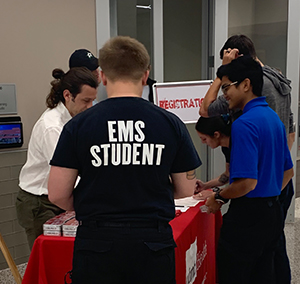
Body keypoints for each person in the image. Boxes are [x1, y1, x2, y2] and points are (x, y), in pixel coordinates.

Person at [48, 36, 201, 284]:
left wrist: (93, 202)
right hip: (153, 241)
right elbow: (185, 189)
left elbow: (56, 194)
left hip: (97, 241)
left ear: (102, 77)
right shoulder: (170, 123)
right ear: (145, 75)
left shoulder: (78, 126)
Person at [199, 34, 295, 284]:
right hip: (272, 212)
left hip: (248, 218)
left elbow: (245, 183)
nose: (225, 94)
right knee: (265, 274)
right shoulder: (273, 118)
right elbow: (288, 172)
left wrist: (218, 197)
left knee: (234, 273)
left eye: (227, 87)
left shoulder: (244, 124)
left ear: (246, 85)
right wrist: (269, 194)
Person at [16, 67, 98, 250]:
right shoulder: (52, 127)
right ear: (68, 95)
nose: (90, 107)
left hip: (58, 197)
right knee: (48, 255)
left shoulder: (73, 119)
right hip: (38, 202)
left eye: (93, 100)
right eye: (86, 100)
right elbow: (67, 173)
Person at [194, 115, 231, 200]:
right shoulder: (226, 148)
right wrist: (205, 186)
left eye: (204, 139)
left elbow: (245, 183)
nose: (203, 143)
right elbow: (228, 174)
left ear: (216, 134)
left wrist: (216, 194)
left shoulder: (239, 147)